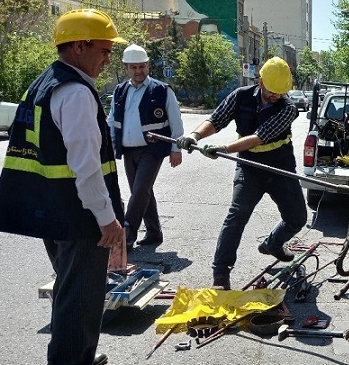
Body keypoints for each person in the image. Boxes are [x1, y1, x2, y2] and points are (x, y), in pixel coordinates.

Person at [0, 8, 128, 365]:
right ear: (79, 46)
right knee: (81, 295)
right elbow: (87, 167)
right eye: (104, 50)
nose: (108, 59)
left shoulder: (46, 82)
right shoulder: (77, 93)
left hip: (52, 208)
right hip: (79, 213)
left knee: (70, 289)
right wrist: (107, 219)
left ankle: (73, 357)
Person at [176, 56, 307, 290]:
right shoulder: (240, 96)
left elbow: (259, 136)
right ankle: (220, 273)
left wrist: (224, 149)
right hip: (249, 165)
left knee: (297, 218)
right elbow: (216, 119)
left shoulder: (288, 108)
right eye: (273, 91)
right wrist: (195, 136)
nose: (277, 96)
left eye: (281, 92)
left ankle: (272, 244)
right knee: (237, 216)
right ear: (260, 81)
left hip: (280, 166)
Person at [108, 44, 184, 251]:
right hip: (128, 150)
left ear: (148, 65)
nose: (138, 71)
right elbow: (112, 120)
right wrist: (108, 144)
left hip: (153, 150)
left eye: (142, 66)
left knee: (140, 191)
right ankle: (154, 231)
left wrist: (176, 148)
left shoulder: (162, 90)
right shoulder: (120, 91)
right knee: (141, 190)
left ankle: (126, 237)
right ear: (126, 68)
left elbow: (175, 120)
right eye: (133, 67)